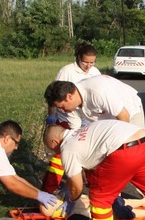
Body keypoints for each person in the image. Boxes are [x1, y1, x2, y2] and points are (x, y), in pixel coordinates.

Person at [42, 43, 101, 191]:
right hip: (67, 120)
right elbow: (54, 93)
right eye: (85, 62)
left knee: (91, 153)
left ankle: (90, 186)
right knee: (62, 153)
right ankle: (49, 189)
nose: (88, 66)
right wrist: (52, 114)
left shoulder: (95, 72)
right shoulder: (67, 71)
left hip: (89, 120)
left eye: (92, 63)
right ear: (78, 58)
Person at [44, 75, 145, 130]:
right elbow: (75, 133)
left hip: (129, 111)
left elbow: (124, 117)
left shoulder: (98, 91)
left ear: (69, 97)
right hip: (106, 119)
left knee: (133, 146)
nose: (62, 111)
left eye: (62, 107)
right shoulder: (70, 108)